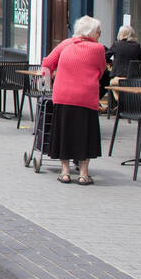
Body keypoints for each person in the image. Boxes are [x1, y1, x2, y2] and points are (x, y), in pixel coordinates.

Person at [40, 15, 107, 185]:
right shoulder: (98, 49)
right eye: (98, 32)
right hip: (85, 96)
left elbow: (47, 63)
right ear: (91, 33)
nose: (100, 35)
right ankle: (83, 174)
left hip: (63, 95)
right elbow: (101, 70)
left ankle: (65, 172)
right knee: (84, 134)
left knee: (64, 132)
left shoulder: (66, 44)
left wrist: (50, 81)